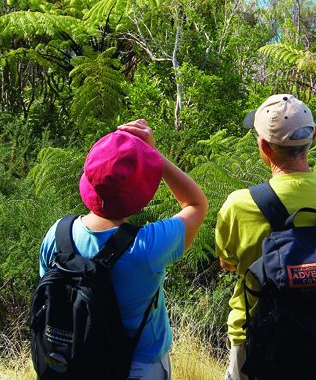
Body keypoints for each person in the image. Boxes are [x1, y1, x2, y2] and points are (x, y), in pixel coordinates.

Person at [39, 119, 208, 380]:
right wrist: (153, 156)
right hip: (138, 366)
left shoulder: (58, 235)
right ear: (138, 195)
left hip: (72, 361)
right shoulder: (148, 247)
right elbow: (196, 204)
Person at [215, 94, 316, 380]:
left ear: (263, 146)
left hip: (256, 337)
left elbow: (227, 262)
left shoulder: (240, 203)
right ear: (314, 137)